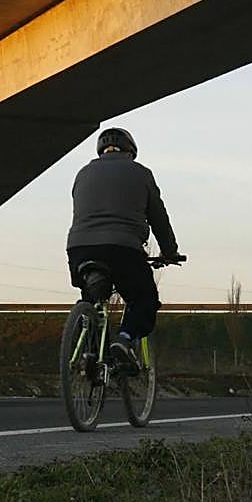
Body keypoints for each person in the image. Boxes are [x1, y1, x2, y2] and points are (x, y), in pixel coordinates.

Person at [66, 126, 181, 367]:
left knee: (93, 297)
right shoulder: (141, 174)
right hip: (123, 248)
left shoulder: (82, 174)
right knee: (143, 299)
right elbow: (158, 217)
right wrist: (170, 252)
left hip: (79, 248)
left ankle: (89, 352)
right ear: (130, 152)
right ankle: (125, 339)